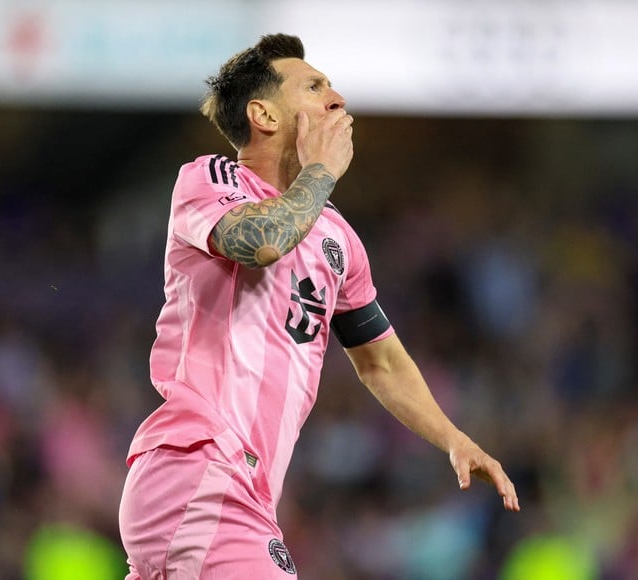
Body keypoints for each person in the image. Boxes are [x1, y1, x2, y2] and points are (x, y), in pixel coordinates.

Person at [118, 33, 520, 579]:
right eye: (314, 87)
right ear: (263, 115)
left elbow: (381, 361)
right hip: (201, 467)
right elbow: (262, 243)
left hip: (244, 490)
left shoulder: (338, 239)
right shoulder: (210, 180)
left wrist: (453, 439)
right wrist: (321, 173)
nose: (337, 98)